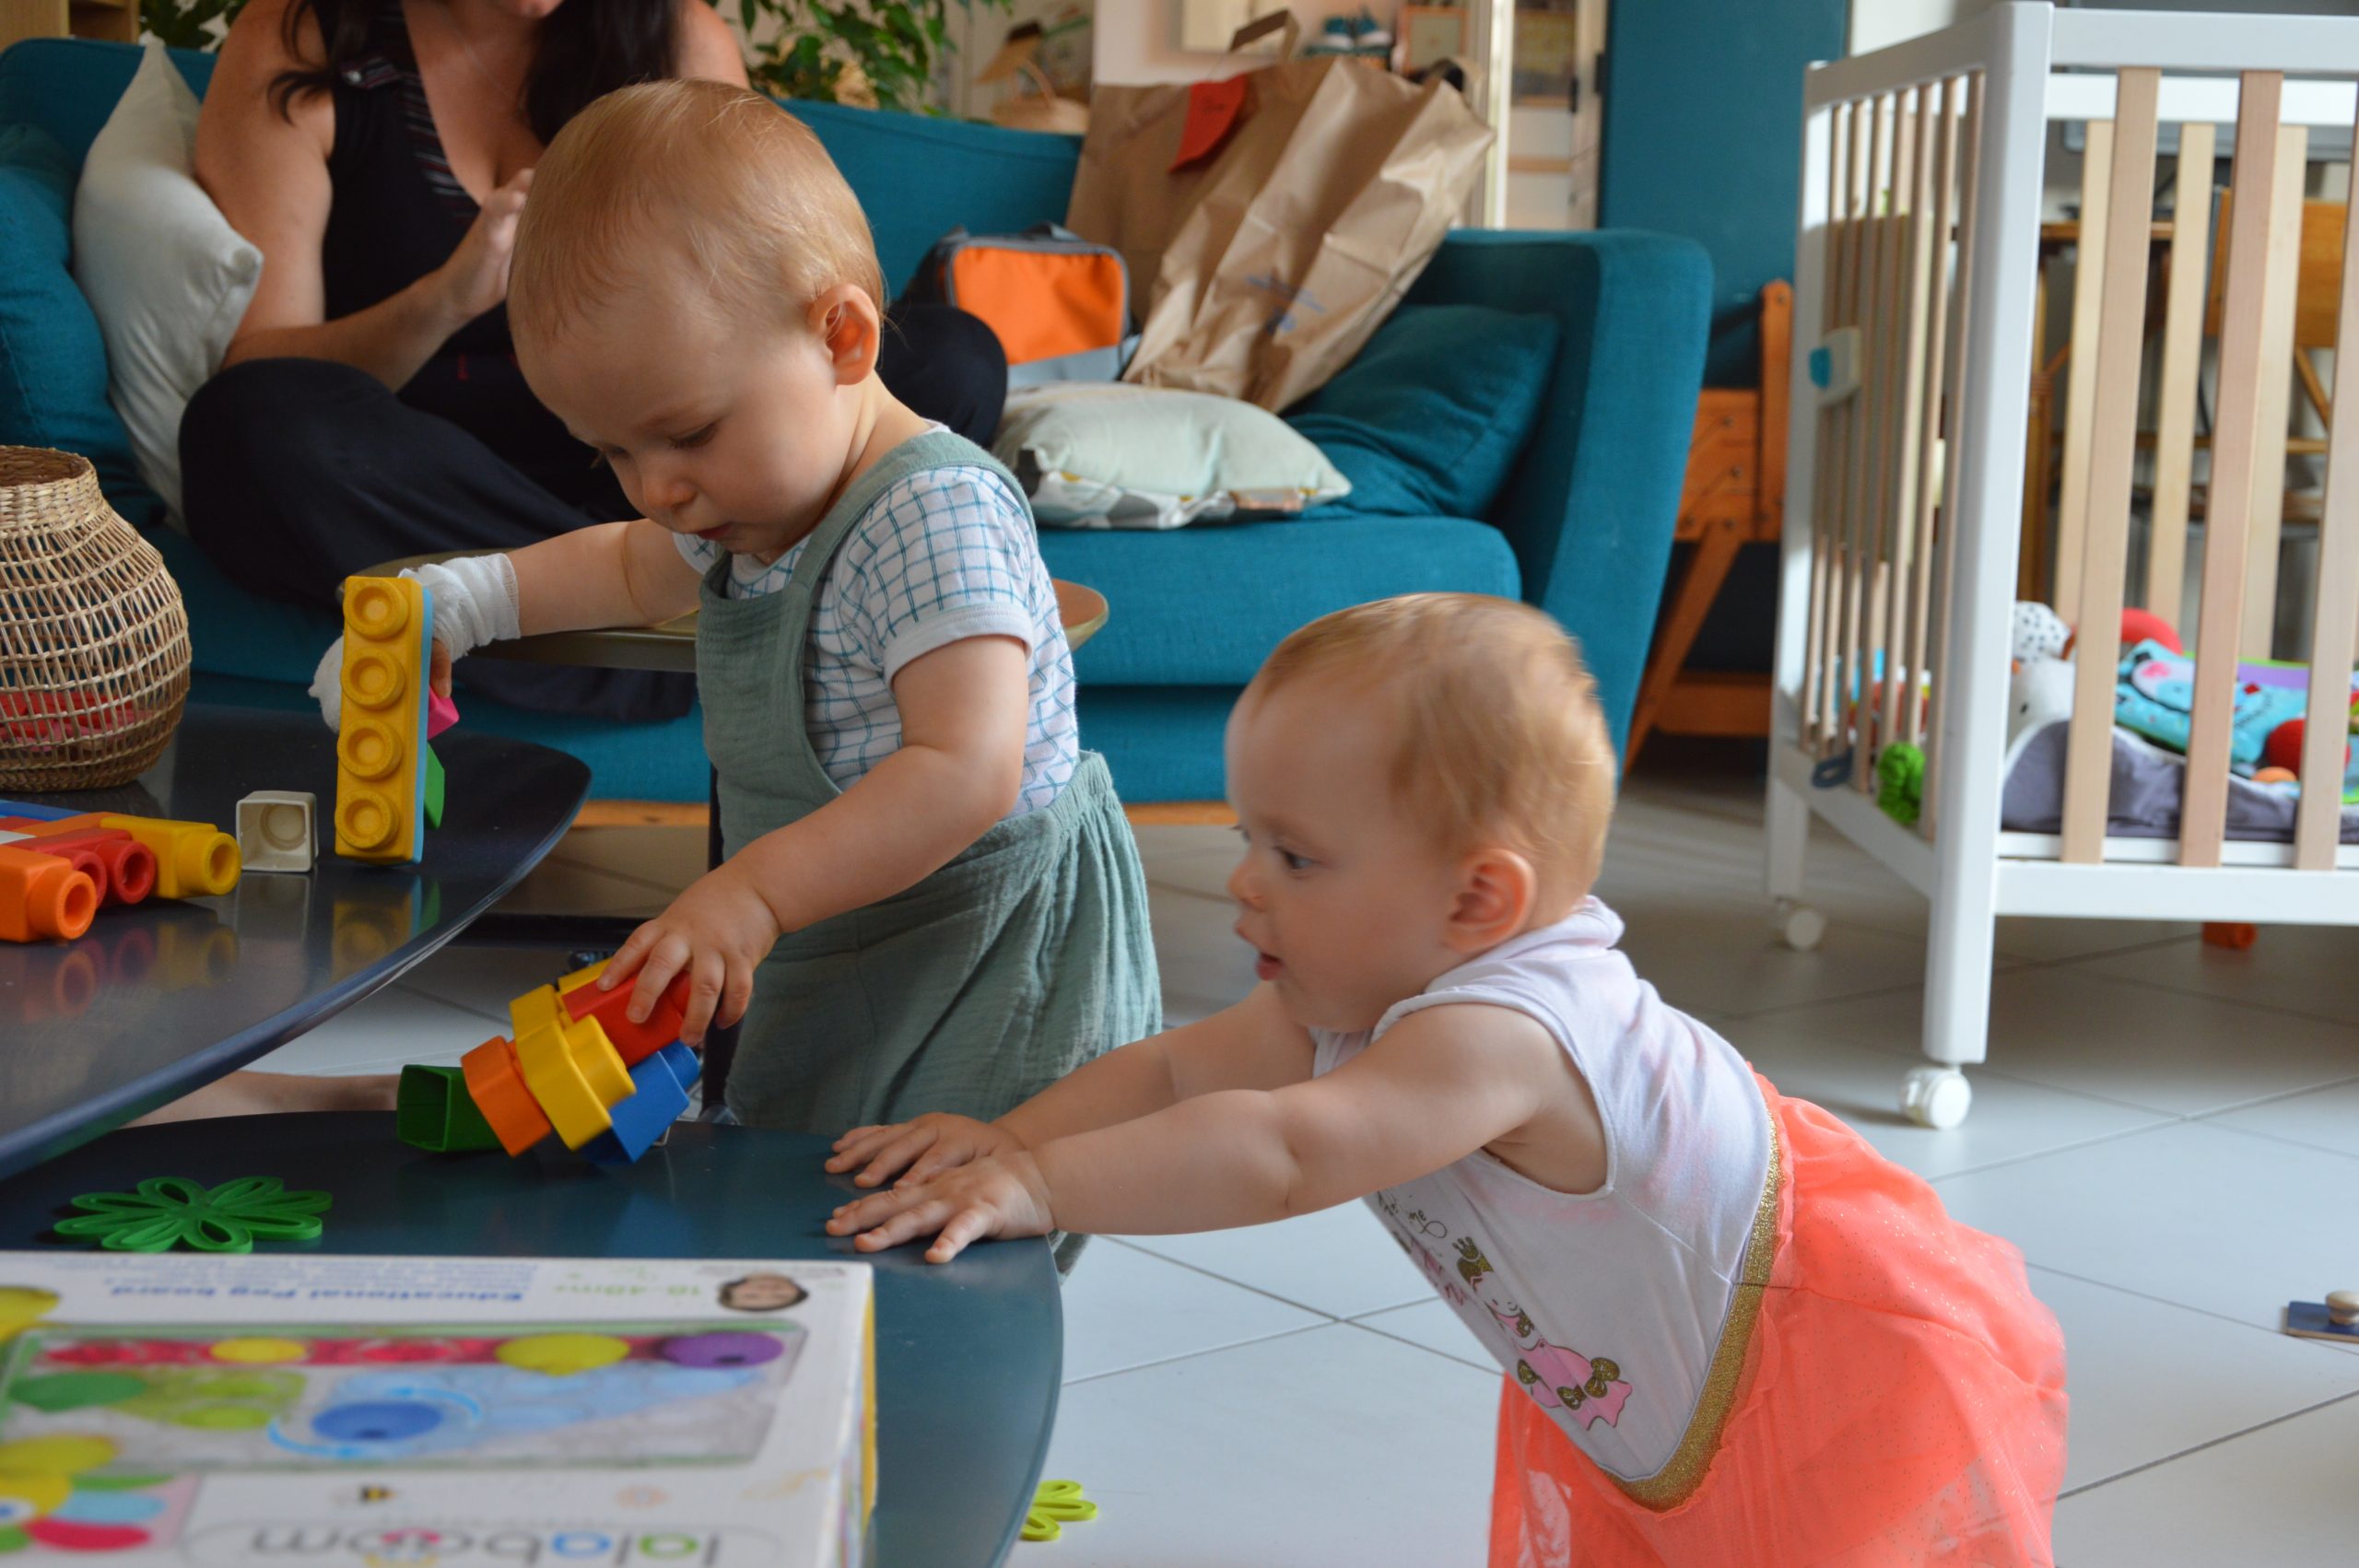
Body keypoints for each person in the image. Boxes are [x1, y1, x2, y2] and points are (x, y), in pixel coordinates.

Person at [822, 595, 2071, 1566]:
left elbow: (1283, 1153)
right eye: (1248, 837)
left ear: (1478, 899)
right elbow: (1173, 1068)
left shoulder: (1507, 1034)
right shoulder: (1355, 989)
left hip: (1822, 1349)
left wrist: (1043, 1187)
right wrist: (1006, 1141)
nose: (1244, 881)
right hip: (1656, 1364)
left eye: (1295, 856)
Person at [309, 82, 1159, 1210]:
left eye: (689, 432)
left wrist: (751, 896)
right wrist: (460, 600)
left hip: (986, 962)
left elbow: (967, 770)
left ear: (842, 338)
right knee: (817, 1179)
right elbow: (627, 565)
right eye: (615, 453)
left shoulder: (930, 512)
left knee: (948, 1202)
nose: (657, 488)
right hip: (856, 939)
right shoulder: (753, 502)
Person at [184, 0, 1005, 720]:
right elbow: (264, 361)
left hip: (687, 484)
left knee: (952, 359)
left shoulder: (675, 35)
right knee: (247, 424)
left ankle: (645, 589)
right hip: (438, 471)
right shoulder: (307, 37)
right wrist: (445, 298)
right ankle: (697, 611)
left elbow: (770, 311)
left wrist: (687, 447)